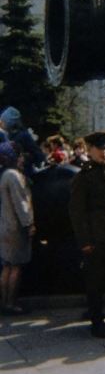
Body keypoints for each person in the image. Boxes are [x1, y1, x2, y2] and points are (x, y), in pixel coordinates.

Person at [69, 132, 105, 337]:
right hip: (96, 233)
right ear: (90, 150)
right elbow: (76, 211)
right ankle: (97, 321)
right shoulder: (83, 177)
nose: (104, 152)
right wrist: (84, 240)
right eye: (100, 149)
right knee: (96, 281)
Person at [0, 142, 35, 315]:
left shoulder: (5, 174)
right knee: (15, 267)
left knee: (6, 266)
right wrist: (29, 224)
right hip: (15, 229)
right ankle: (11, 303)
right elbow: (21, 204)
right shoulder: (14, 176)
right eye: (19, 155)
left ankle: (4, 301)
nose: (22, 159)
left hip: (5, 226)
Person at [0, 106, 46, 177]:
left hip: (22, 175)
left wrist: (24, 158)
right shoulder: (3, 135)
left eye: (2, 121)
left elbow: (39, 156)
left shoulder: (23, 135)